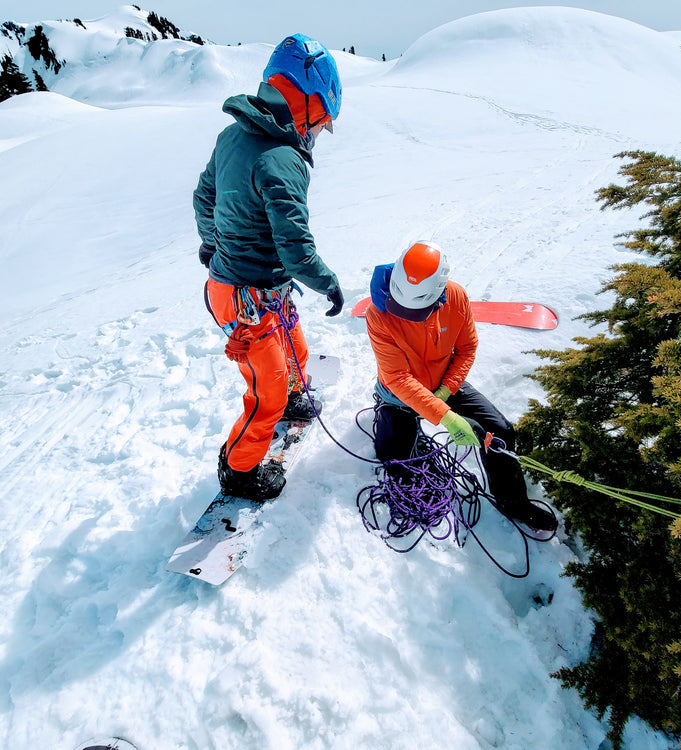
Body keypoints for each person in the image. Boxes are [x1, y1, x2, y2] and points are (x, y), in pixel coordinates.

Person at [193, 33, 345, 501]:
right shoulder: (284, 161)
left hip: (258, 289)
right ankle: (238, 469)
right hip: (244, 300)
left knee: (293, 341)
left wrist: (211, 245)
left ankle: (296, 393)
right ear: (305, 106)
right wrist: (330, 284)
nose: (317, 134)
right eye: (320, 122)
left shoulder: (234, 134)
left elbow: (204, 196)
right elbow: (295, 249)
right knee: (268, 392)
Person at [364, 240, 557, 531]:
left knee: (500, 431)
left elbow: (467, 349)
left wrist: (446, 391)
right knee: (393, 459)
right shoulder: (378, 315)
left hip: (445, 383)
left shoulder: (456, 297)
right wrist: (445, 415)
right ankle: (390, 420)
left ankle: (513, 502)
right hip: (399, 395)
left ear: (439, 293)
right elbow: (397, 378)